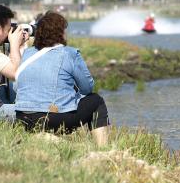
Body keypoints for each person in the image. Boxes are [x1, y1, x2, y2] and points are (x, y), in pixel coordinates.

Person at [15, 11, 110, 146]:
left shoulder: (28, 53)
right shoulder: (70, 53)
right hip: (54, 119)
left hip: (23, 117)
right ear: (60, 33)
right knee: (96, 101)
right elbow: (87, 88)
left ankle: (41, 136)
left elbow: (17, 86)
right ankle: (103, 149)